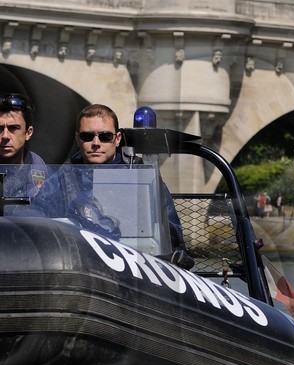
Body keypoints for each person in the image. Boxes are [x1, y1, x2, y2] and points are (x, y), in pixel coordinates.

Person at [39, 104, 186, 259]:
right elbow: (37, 212)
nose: (96, 143)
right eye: (87, 136)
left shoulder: (141, 174)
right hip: (80, 261)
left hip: (134, 264)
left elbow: (170, 231)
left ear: (117, 139)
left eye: (105, 136)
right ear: (77, 139)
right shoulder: (63, 176)